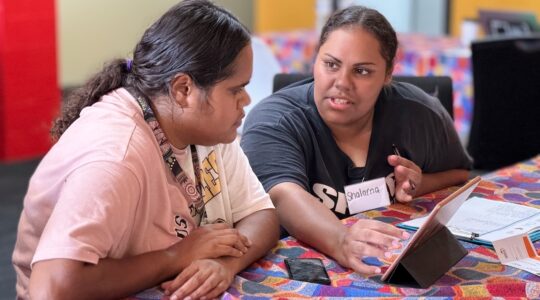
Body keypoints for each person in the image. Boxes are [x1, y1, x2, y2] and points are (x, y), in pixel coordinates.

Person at [12, 1, 279, 299]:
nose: (246, 101)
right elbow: (52, 288)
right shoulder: (117, 156)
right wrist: (176, 256)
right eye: (235, 90)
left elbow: (262, 215)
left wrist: (225, 264)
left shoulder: (207, 131)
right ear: (183, 90)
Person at [241, 5, 472, 275]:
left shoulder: (420, 113)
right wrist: (342, 240)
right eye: (331, 64)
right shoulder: (274, 121)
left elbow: (459, 174)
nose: (342, 82)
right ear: (315, 61)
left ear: (387, 75)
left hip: (389, 265)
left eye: (362, 71)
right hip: (298, 277)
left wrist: (419, 184)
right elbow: (282, 195)